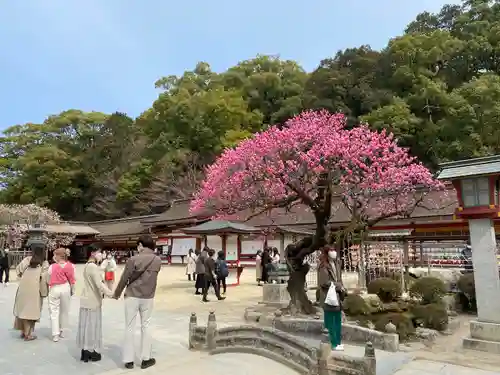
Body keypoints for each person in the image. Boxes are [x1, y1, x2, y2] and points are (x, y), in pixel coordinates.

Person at [114, 234, 162, 370]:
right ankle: (145, 359)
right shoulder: (157, 260)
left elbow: (124, 279)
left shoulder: (132, 260)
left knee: (129, 327)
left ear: (140, 245)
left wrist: (116, 294)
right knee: (146, 326)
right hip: (148, 296)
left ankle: (128, 360)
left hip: (132, 295)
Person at [77, 250, 114, 363]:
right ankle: (91, 351)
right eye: (99, 253)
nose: (101, 255)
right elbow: (99, 284)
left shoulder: (87, 265)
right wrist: (111, 293)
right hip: (92, 300)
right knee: (92, 326)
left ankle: (85, 351)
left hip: (86, 299)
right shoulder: (93, 266)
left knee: (86, 325)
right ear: (93, 253)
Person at [13, 245, 49, 341]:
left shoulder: (27, 259)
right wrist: (44, 292)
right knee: (31, 312)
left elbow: (18, 270)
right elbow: (45, 278)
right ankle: (28, 334)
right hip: (35, 290)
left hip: (23, 288)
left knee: (23, 310)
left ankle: (23, 331)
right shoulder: (44, 263)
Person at [318, 246, 346, 352]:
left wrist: (342, 289)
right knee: (330, 321)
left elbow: (339, 278)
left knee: (337, 320)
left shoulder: (337, 264)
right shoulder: (323, 266)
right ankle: (331, 343)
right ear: (327, 252)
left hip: (337, 296)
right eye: (331, 250)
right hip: (328, 297)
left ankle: (337, 342)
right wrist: (338, 285)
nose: (333, 252)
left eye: (334, 250)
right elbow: (324, 282)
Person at [48, 247, 76, 342]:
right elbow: (72, 280)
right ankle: (63, 331)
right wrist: (73, 290)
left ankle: (55, 334)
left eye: (55, 255)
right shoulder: (71, 266)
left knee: (54, 311)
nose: (54, 257)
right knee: (64, 311)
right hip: (65, 287)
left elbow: (48, 277)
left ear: (58, 256)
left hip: (54, 288)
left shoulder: (52, 266)